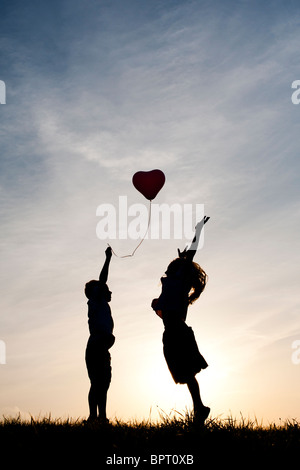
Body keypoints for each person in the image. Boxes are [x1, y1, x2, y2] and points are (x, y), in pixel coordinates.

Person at [152, 216, 210, 423]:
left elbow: (191, 254)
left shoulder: (180, 280)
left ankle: (200, 408)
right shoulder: (170, 285)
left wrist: (198, 230)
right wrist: (157, 304)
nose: (170, 266)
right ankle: (200, 407)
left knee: (187, 374)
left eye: (175, 265)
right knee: (185, 375)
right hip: (170, 333)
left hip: (178, 332)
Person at [85, 246, 114, 422]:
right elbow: (103, 280)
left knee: (103, 383)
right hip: (96, 347)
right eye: (106, 288)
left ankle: (101, 418)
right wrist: (108, 258)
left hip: (101, 348)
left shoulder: (101, 304)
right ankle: (93, 417)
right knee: (98, 383)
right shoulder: (95, 301)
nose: (110, 291)